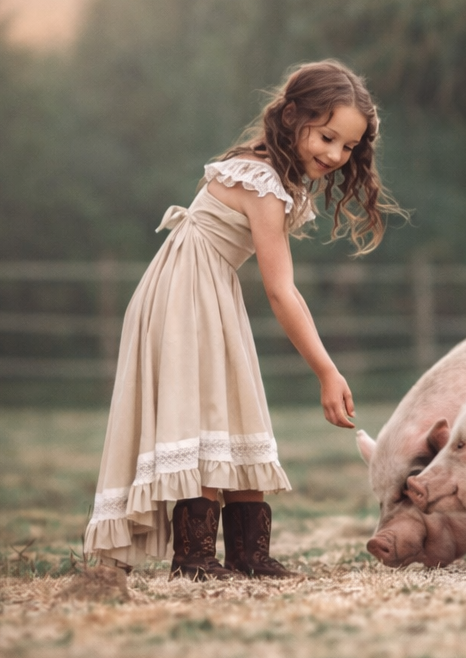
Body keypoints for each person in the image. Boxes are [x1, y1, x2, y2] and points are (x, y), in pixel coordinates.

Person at [83, 60, 401, 581]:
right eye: (327, 137)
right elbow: (281, 291)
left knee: (230, 404)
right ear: (293, 115)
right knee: (206, 408)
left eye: (347, 147)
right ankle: (195, 557)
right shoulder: (261, 180)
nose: (335, 155)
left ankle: (248, 554)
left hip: (205, 287)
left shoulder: (272, 177)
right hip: (185, 293)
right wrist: (326, 370)